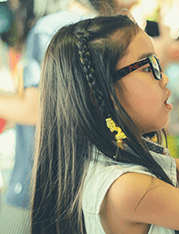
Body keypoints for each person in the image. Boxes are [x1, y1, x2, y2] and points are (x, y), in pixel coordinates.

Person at [31, 14, 179, 234]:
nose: (165, 77)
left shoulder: (116, 158)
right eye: (147, 67)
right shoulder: (126, 188)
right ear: (100, 92)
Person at [0, 0, 102, 233]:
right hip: (82, 184)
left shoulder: (47, 29)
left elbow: (33, 110)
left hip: (36, 184)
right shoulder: (99, 25)